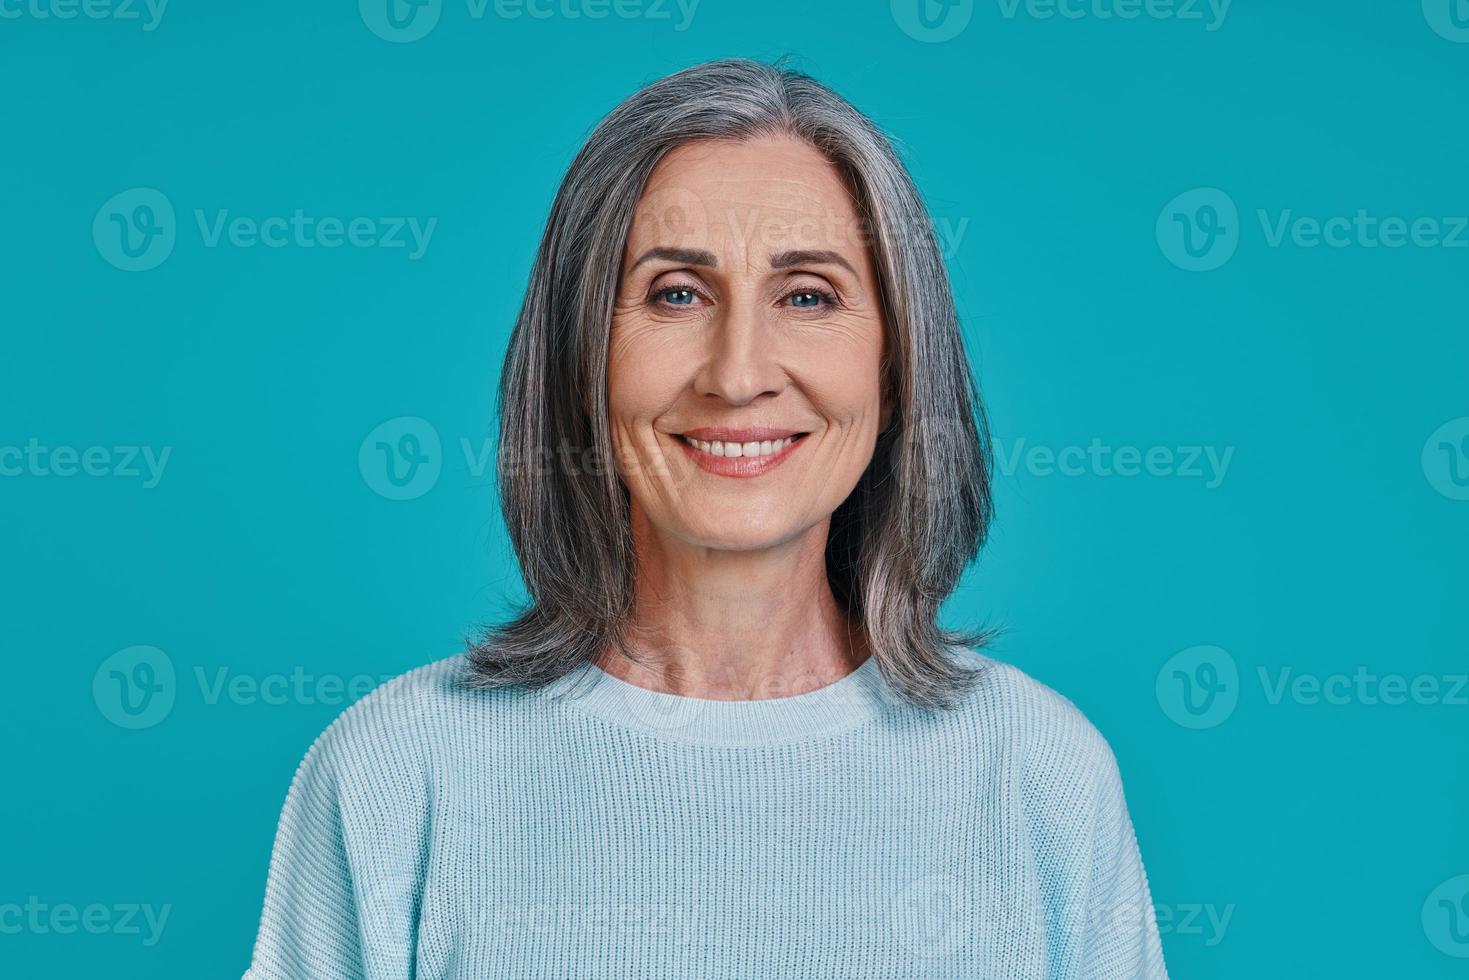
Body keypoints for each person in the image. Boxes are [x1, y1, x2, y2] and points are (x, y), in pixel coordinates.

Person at [243, 57, 1168, 979]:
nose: (736, 374)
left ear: (895, 368)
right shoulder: (397, 778)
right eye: (675, 294)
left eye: (807, 295)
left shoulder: (1038, 776)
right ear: (581, 356)